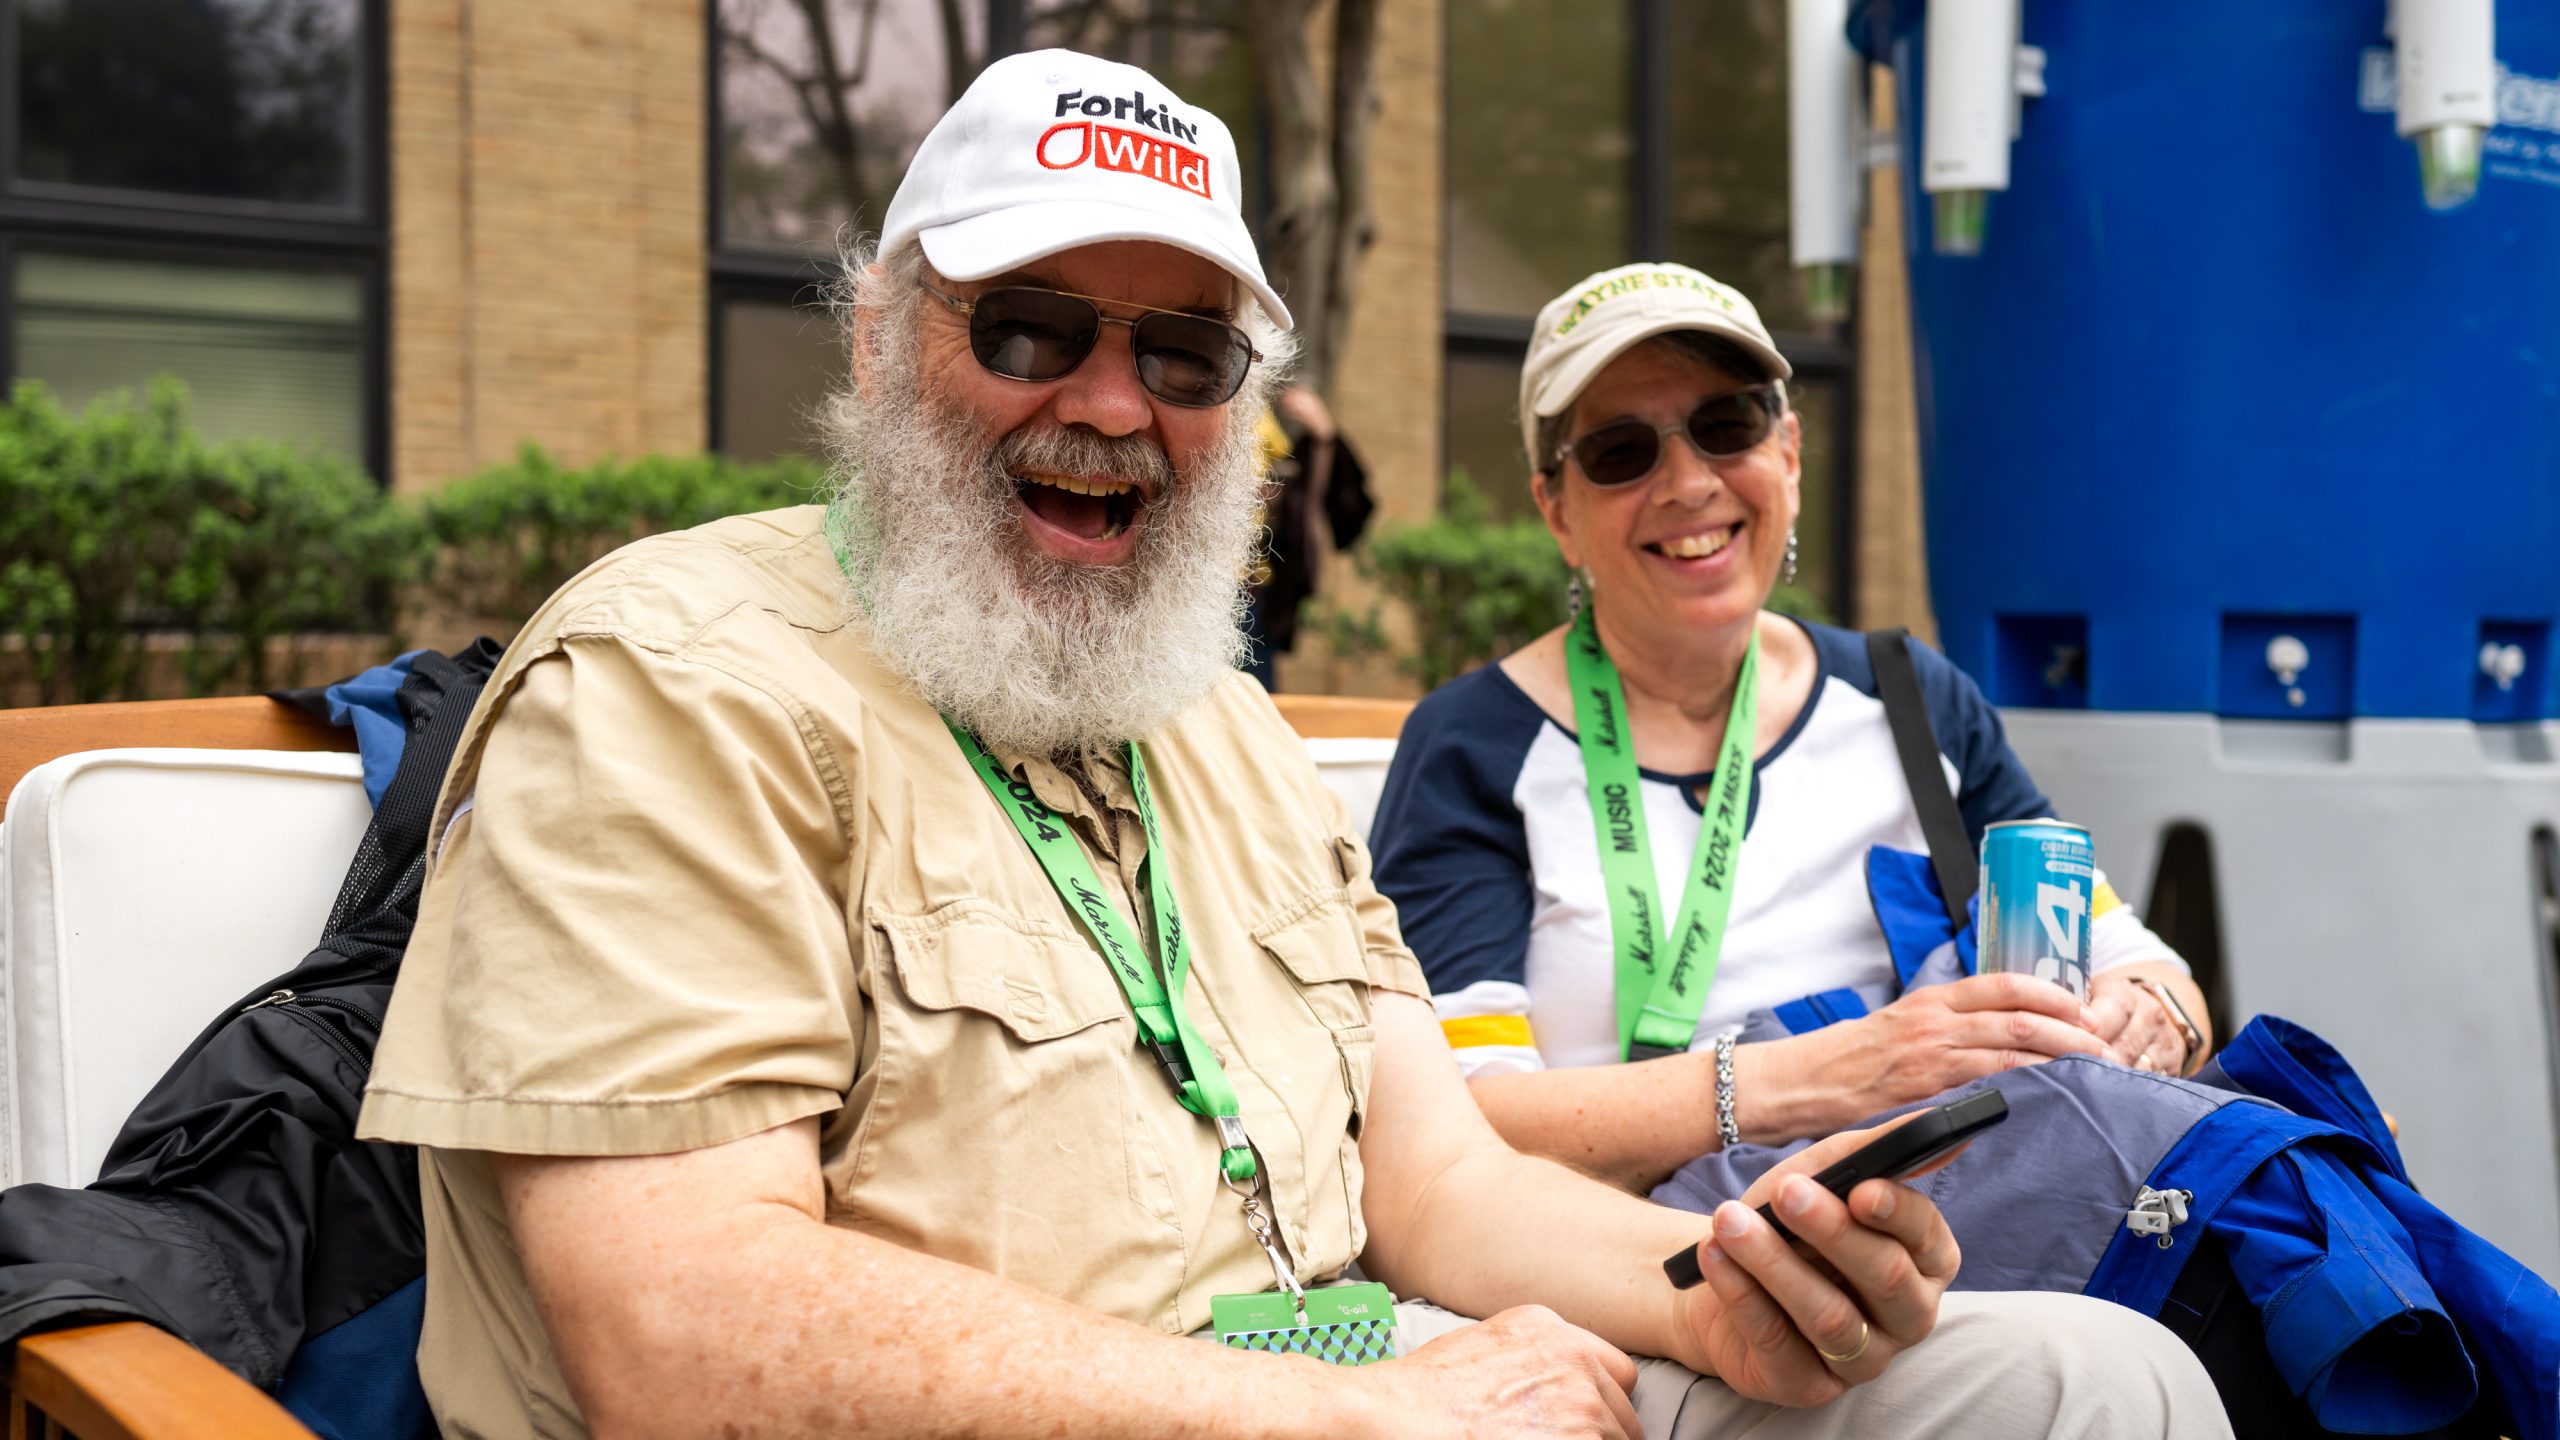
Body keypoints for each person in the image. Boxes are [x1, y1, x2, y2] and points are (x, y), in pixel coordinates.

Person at [354, 56, 2226, 1440]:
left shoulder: (1219, 727)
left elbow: (1444, 1187)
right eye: (1030, 326)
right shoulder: (672, 686)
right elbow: (681, 1333)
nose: (1109, 403)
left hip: (1385, 1374)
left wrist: (1716, 1307)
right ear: (875, 337)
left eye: (1184, 360)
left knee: (2096, 1382)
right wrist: (1355, 1414)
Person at [1368, 261, 2218, 1193]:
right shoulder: (1474, 746)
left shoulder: (1910, 699)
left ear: (1790, 455)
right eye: (1621, 451)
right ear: (1556, 511)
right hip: (1638, 1262)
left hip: (1949, 1218)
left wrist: (2147, 1013)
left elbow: (2143, 965)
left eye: (1726, 426)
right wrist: (1815, 1078)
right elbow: (1455, 1120)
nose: (1689, 482)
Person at [1242, 384, 1374, 689]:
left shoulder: (1268, 430)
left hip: (1252, 590)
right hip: (1202, 583)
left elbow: (1339, 499)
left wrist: (1324, 436)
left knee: (1254, 687)